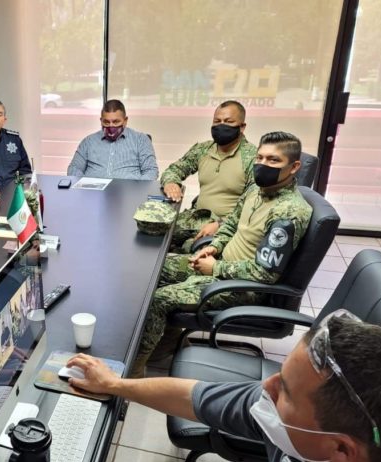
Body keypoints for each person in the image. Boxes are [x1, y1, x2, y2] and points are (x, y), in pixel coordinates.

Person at [67, 311, 381, 462]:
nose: (267, 386)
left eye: (285, 390)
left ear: (340, 450)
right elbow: (194, 397)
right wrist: (115, 384)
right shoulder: (305, 435)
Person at [131, 131, 312, 377]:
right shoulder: (256, 190)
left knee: (160, 298)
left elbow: (264, 273)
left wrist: (215, 268)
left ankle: (135, 370)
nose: (263, 165)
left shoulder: (289, 212)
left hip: (243, 286)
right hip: (222, 264)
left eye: (273, 160)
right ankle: (167, 344)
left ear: (294, 167)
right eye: (260, 158)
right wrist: (214, 247)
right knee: (152, 271)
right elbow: (230, 224)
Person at [161, 100, 257, 251]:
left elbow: (255, 204)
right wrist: (171, 182)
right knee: (153, 232)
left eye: (228, 122)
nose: (221, 125)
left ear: (242, 126)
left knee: (188, 251)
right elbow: (174, 169)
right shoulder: (203, 149)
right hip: (196, 217)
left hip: (226, 227)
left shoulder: (253, 158)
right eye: (217, 121)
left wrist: (220, 224)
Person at [67, 99, 158, 180]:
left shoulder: (141, 140)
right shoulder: (88, 141)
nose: (111, 126)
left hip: (128, 191)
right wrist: (83, 185)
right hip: (92, 190)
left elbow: (151, 171)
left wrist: (137, 189)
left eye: (116, 122)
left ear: (125, 120)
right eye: (106, 122)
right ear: (101, 121)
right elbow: (74, 168)